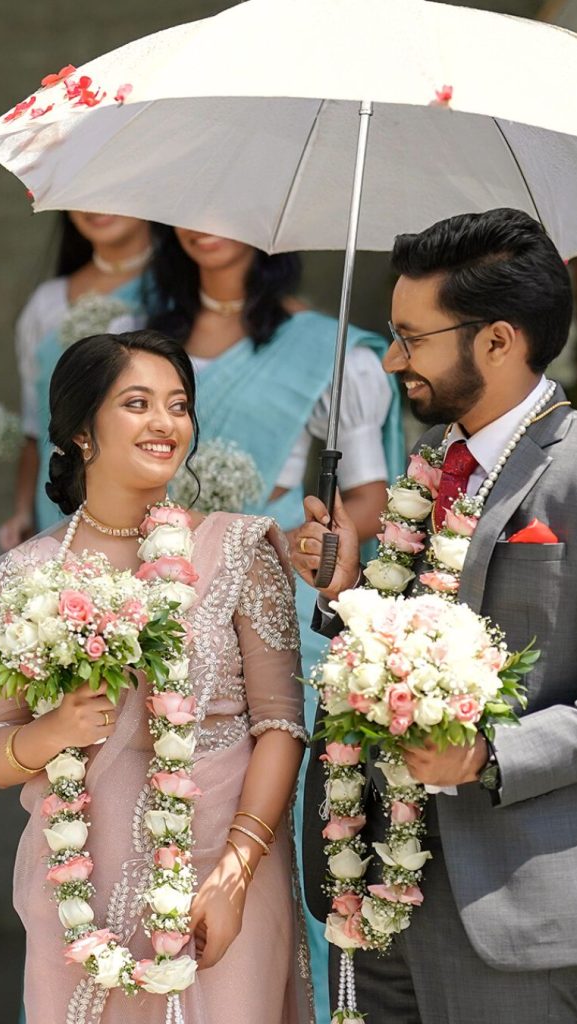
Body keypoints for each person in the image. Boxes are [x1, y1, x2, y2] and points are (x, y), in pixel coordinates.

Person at [292, 209, 577, 1024]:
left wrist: (487, 753)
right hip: (367, 871)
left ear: (498, 341)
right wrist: (345, 591)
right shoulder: (431, 461)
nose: (395, 358)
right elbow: (407, 644)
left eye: (414, 337)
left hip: (510, 891)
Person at [0, 330, 311, 1024]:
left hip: (223, 867)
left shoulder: (239, 546)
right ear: (80, 434)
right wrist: (57, 731)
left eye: (179, 405)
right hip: (80, 876)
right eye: (138, 403)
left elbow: (281, 725)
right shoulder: (31, 575)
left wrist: (236, 871)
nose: (165, 423)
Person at [147, 228, 404, 1023]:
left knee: (286, 822)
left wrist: (306, 538)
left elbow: (368, 496)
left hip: (274, 599)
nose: (205, 221)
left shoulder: (326, 353)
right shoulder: (145, 349)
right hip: (158, 607)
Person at [0, 212, 161, 548]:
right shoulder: (47, 303)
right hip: (61, 497)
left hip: (151, 499)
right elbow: (35, 423)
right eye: (81, 199)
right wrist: (22, 511)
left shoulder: (177, 294)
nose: (94, 208)